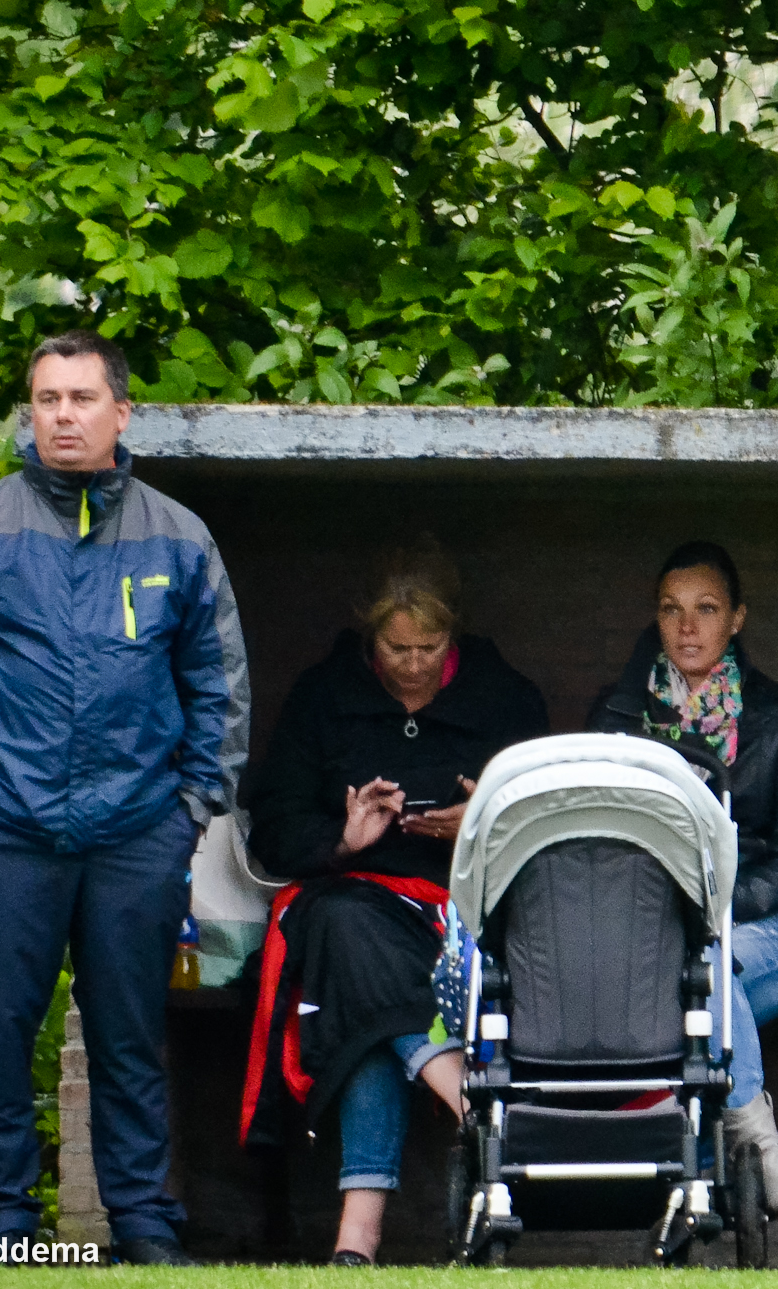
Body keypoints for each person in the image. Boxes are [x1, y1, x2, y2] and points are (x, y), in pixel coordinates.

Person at [0, 330, 249, 1265]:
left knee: (130, 1038)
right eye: (46, 399)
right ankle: (0, 1222)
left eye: (82, 398)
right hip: (1, 826)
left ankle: (142, 1224)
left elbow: (217, 682)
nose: (62, 416)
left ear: (121, 413)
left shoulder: (178, 536)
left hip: (137, 831)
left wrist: (191, 810)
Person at [241, 542, 547, 1266]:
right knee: (345, 927)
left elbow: (547, 823)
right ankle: (470, 1100)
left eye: (429, 648)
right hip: (351, 899)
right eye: (396, 648)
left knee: (359, 993)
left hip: (460, 910)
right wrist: (342, 839)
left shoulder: (505, 698)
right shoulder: (324, 695)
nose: (412, 665)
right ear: (367, 632)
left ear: (454, 634)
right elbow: (274, 824)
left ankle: (358, 1237)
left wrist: (484, 822)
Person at [588, 541, 778, 1218]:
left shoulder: (775, 715)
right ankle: (752, 1152)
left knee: (707, 965)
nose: (687, 626)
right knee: (695, 972)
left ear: (737, 618)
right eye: (671, 610)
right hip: (649, 939)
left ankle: (723, 1158)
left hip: (765, 932)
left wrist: (717, 905)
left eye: (707, 609)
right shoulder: (618, 716)